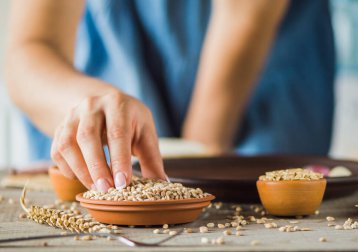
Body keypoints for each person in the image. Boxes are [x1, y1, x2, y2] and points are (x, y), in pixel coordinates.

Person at [6, 0, 335, 192]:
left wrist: (190, 170)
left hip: (260, 81)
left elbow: (246, 13)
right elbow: (30, 47)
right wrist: (95, 107)